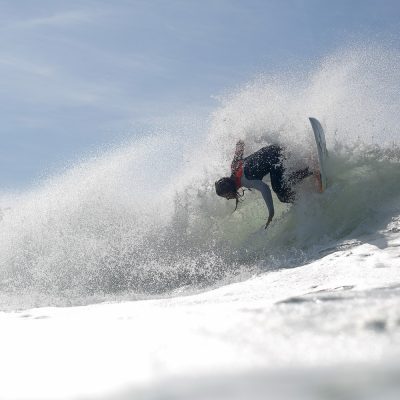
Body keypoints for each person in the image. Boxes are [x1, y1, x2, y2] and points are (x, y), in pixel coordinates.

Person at [215, 140, 314, 229]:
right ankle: (308, 169)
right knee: (282, 183)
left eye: (226, 195)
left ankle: (311, 172)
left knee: (281, 192)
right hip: (274, 148)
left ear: (229, 189)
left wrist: (271, 212)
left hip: (275, 156)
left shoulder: (245, 181)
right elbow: (240, 144)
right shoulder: (234, 166)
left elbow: (265, 188)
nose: (228, 198)